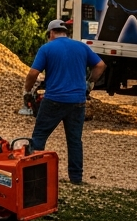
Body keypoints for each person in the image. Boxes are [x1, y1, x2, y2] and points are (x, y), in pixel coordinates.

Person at [26, 19, 106, 186]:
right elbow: (100, 65)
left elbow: (33, 73)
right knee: (75, 140)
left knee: (39, 136)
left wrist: (27, 91)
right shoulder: (82, 47)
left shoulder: (47, 48)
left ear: (51, 33)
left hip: (54, 100)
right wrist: (89, 84)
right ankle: (76, 179)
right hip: (78, 101)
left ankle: (34, 175)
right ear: (66, 33)